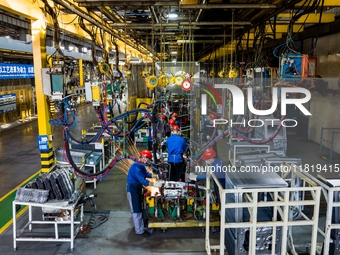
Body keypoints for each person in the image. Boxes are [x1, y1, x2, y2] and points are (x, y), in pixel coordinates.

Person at [126, 150, 154, 236]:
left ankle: (140, 226)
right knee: (136, 210)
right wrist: (153, 184)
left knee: (139, 208)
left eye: (148, 159)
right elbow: (142, 180)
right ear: (141, 157)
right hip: (132, 189)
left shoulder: (141, 166)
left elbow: (146, 174)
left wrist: (154, 175)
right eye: (145, 158)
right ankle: (139, 231)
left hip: (137, 189)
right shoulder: (136, 166)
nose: (146, 160)